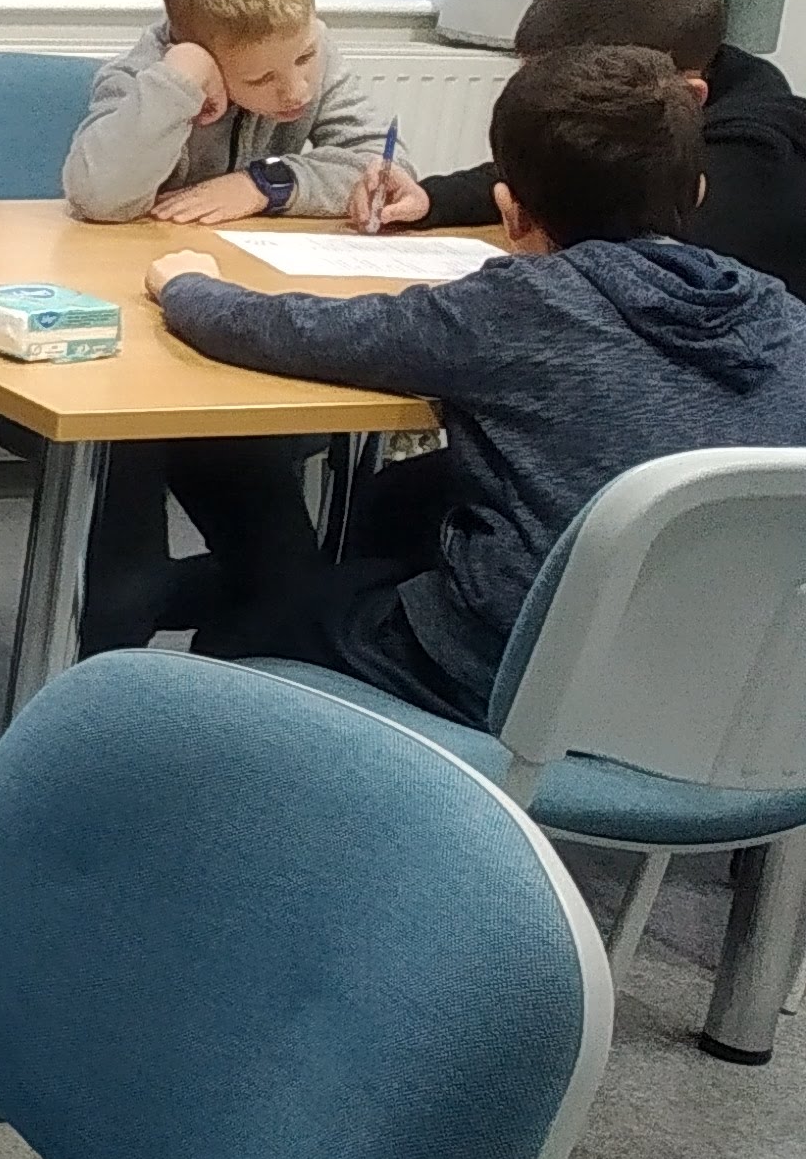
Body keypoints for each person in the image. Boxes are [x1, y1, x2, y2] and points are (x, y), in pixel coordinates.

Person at [146, 46, 806, 719]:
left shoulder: (524, 306)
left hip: (518, 675)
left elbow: (301, 332)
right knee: (401, 511)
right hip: (736, 692)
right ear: (697, 192)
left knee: (255, 626)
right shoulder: (785, 317)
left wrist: (187, 287)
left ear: (511, 213)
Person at [61, 0, 392, 651]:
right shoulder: (145, 77)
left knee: (288, 579)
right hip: (130, 374)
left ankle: (223, 689)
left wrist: (267, 183)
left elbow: (377, 166)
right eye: (263, 78)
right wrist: (180, 83)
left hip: (237, 358)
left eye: (304, 58)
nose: (296, 89)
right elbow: (99, 194)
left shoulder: (311, 50)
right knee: (122, 594)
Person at [344, 0, 806, 294]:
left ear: (689, 94)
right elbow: (566, 174)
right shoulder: (667, 106)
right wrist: (432, 199)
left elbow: (601, 270)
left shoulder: (751, 175)